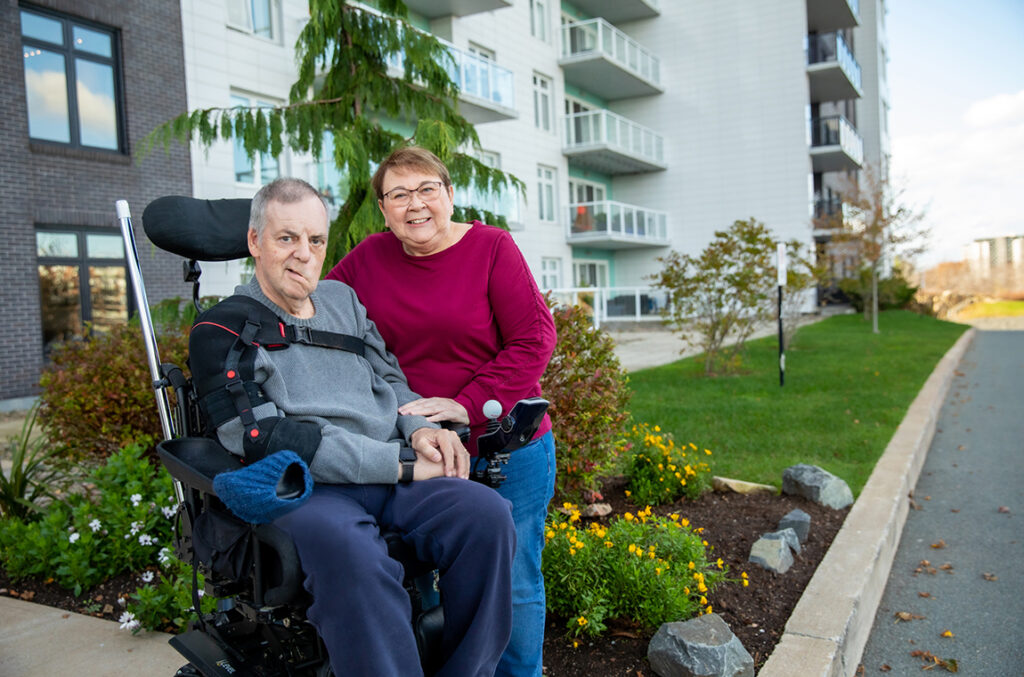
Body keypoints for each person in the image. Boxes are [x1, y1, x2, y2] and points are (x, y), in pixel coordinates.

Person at [188, 177, 516, 677]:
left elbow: (390, 380)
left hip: (391, 470)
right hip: (307, 490)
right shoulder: (221, 330)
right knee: (354, 557)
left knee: (485, 516)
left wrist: (417, 431)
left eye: (315, 240)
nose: (303, 254)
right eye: (286, 238)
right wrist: (402, 466)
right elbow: (263, 439)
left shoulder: (344, 302)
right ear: (255, 242)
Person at [326, 147, 557, 677]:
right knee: (422, 582)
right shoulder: (367, 259)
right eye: (398, 194)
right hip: (421, 450)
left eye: (427, 189)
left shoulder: (492, 248)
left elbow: (535, 338)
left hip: (505, 447)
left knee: (513, 585)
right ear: (382, 210)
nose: (416, 205)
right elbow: (312, 308)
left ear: (449, 196)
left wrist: (466, 404)